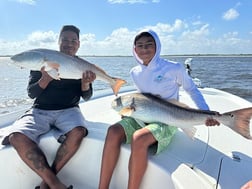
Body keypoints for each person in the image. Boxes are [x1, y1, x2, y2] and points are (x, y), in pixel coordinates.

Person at [98, 29, 219, 189]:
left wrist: (206, 112)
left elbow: (192, 90)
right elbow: (143, 96)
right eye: (140, 46)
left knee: (139, 138)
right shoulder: (134, 72)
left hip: (169, 119)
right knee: (113, 131)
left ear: (158, 46)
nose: (144, 49)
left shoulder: (173, 68)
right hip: (144, 115)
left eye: (149, 44)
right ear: (134, 49)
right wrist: (127, 113)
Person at [1, 25, 96, 189]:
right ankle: (56, 184)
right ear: (59, 41)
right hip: (40, 110)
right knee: (16, 136)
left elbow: (86, 97)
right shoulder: (43, 60)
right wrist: (45, 79)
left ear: (79, 44)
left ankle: (47, 183)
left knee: (78, 131)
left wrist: (85, 83)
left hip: (69, 110)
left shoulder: (81, 65)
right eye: (65, 39)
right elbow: (32, 93)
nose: (69, 43)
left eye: (73, 40)